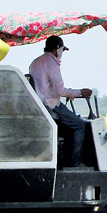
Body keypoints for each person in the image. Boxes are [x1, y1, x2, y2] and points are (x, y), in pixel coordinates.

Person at [28, 35, 92, 167]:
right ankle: (74, 164)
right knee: (81, 125)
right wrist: (80, 92)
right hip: (51, 104)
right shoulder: (52, 63)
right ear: (57, 48)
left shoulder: (35, 62)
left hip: (38, 104)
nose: (62, 53)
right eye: (63, 50)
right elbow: (60, 91)